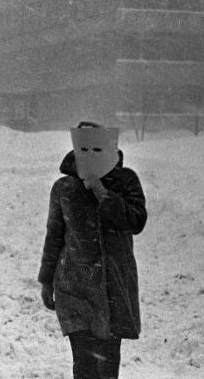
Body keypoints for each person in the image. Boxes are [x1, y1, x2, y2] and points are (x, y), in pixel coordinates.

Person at [38, 121, 147, 378]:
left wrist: (103, 193)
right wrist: (46, 281)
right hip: (75, 287)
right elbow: (54, 236)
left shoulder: (126, 181)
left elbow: (136, 221)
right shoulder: (64, 188)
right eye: (83, 149)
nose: (89, 156)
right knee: (85, 366)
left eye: (97, 149)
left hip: (112, 288)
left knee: (107, 367)